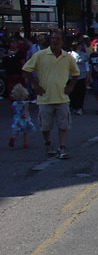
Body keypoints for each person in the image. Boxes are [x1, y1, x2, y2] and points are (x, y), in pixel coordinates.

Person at [22, 30, 78, 159]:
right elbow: (26, 70)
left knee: (63, 125)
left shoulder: (67, 57)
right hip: (45, 97)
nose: (55, 41)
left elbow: (76, 73)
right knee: (45, 126)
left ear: (62, 41)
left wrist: (71, 86)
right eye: (53, 38)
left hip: (62, 97)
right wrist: (35, 85)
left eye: (58, 38)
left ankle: (62, 147)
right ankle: (47, 143)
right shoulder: (40, 55)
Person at [7, 82, 35, 149]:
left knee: (16, 130)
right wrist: (26, 116)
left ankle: (13, 138)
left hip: (17, 118)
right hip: (23, 117)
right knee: (25, 131)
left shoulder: (14, 103)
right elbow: (26, 110)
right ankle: (25, 143)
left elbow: (14, 111)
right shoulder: (25, 103)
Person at [69, 40, 89, 115]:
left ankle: (79, 107)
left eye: (80, 45)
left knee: (81, 92)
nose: (80, 47)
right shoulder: (69, 54)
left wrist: (88, 74)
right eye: (78, 45)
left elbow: (87, 66)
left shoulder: (84, 55)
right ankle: (73, 106)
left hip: (81, 76)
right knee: (72, 92)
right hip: (71, 77)